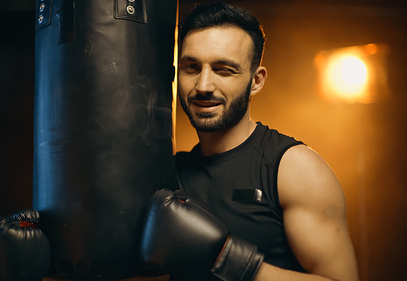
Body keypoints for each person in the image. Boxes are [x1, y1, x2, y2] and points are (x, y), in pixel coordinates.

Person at [139, 1, 359, 281]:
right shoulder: (170, 172)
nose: (203, 85)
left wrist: (230, 259)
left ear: (256, 80)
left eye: (224, 70)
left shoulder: (292, 169)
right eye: (192, 67)